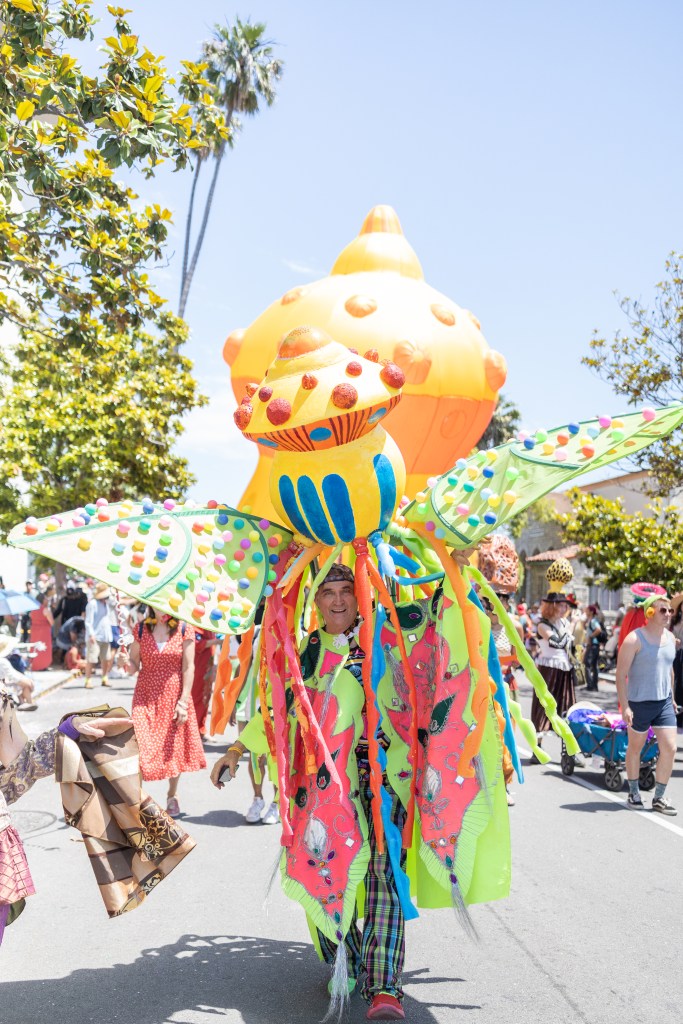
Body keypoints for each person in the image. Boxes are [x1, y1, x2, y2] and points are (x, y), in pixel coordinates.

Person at [128, 606, 206, 817]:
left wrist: (183, 702)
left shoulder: (184, 629)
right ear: (150, 604)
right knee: (140, 746)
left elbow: (188, 667)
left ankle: (172, 795)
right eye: (157, 603)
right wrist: (124, 660)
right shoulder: (141, 629)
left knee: (172, 747)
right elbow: (133, 665)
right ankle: (137, 801)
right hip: (145, 696)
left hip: (173, 695)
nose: (162, 608)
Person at [615, 594, 678, 815]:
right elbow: (620, 674)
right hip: (639, 702)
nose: (668, 614)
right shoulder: (634, 639)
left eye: (670, 611)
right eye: (663, 610)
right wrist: (625, 706)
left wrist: (672, 698)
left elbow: (669, 670)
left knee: (670, 748)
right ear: (649, 613)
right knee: (635, 748)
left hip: (663, 703)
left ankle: (659, 798)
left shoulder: (670, 638)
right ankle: (633, 793)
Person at [530, 593, 576, 754]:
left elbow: (570, 645)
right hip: (548, 670)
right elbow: (558, 643)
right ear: (552, 606)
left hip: (565, 669)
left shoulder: (564, 622)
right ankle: (537, 749)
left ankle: (568, 752)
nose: (564, 608)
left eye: (565, 605)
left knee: (567, 708)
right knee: (544, 706)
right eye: (561, 605)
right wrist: (571, 626)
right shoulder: (542, 625)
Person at [84, 581, 117, 688]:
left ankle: (104, 678)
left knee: (106, 658)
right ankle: (88, 680)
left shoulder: (106, 603)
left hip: (105, 635)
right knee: (92, 659)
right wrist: (91, 635)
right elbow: (88, 621)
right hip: (95, 635)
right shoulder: (92, 604)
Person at [28, 592, 53, 670]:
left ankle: (34, 664)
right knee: (44, 648)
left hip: (34, 630)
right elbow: (52, 622)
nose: (47, 600)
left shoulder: (32, 609)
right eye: (46, 599)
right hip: (44, 631)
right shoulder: (45, 610)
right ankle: (43, 665)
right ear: (42, 600)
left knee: (35, 647)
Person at [583, 604, 603, 692]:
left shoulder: (593, 621)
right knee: (594, 665)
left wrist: (590, 637)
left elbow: (598, 629)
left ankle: (590, 685)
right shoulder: (591, 620)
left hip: (593, 645)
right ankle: (594, 685)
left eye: (587, 610)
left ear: (591, 612)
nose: (585, 612)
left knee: (587, 663)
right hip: (594, 645)